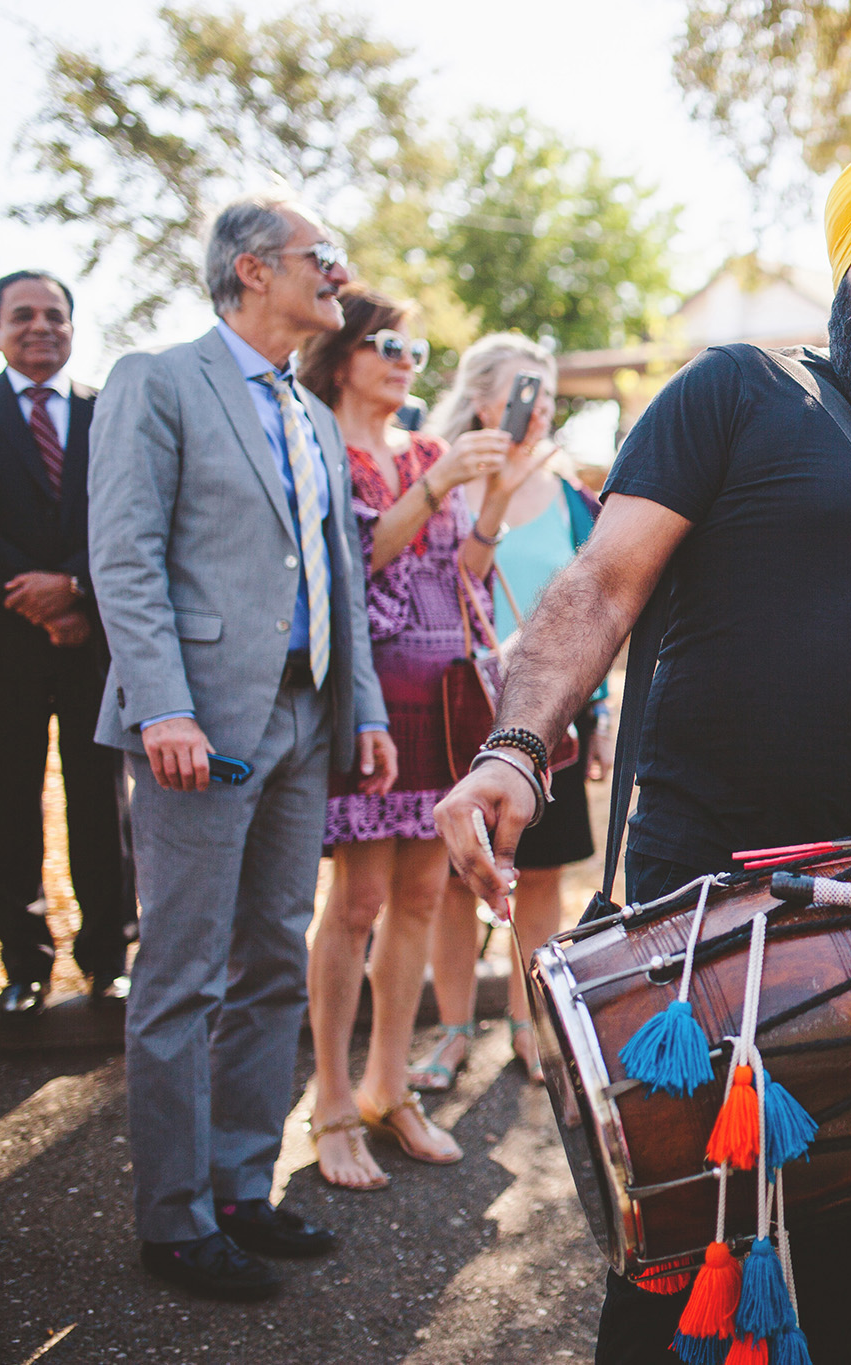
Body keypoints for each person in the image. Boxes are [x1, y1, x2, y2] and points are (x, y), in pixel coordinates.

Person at [434, 140, 851, 1365]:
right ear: (846, 271)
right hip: (697, 909)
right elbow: (599, 585)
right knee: (670, 1262)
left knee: (845, 1272)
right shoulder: (736, 391)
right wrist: (515, 748)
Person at [89, 194, 397, 1300]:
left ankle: (237, 1190)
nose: (340, 274)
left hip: (306, 719)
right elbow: (124, 556)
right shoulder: (158, 381)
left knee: (272, 958)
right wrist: (163, 706)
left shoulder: (309, 412)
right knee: (182, 972)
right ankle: (173, 1222)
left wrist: (365, 712)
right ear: (255, 269)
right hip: (197, 724)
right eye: (324, 255)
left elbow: (341, 578)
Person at [296, 296, 551, 1190]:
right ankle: (331, 1100)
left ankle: (388, 1086)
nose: (406, 356)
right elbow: (354, 563)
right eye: (385, 342)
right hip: (371, 702)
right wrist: (440, 485)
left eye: (413, 345)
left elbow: (464, 575)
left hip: (442, 701)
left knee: (415, 897)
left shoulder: (423, 451)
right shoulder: (319, 445)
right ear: (338, 354)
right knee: (357, 902)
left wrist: (497, 491)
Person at [410, 337, 607, 1092]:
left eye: (549, 392)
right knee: (453, 880)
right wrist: (492, 491)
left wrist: (600, 712)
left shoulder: (572, 497)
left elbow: (597, 609)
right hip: (460, 706)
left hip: (552, 714)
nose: (542, 406)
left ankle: (531, 1025)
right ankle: (454, 1031)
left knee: (544, 873)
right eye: (527, 390)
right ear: (484, 400)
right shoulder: (445, 480)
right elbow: (451, 579)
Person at [0, 270, 133, 1015]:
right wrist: (33, 597)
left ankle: (108, 960)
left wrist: (74, 588)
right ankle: (26, 968)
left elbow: (131, 515)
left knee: (103, 803)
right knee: (8, 803)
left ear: (72, 327)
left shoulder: (112, 414)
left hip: (94, 640)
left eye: (55, 315)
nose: (40, 326)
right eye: (23, 316)